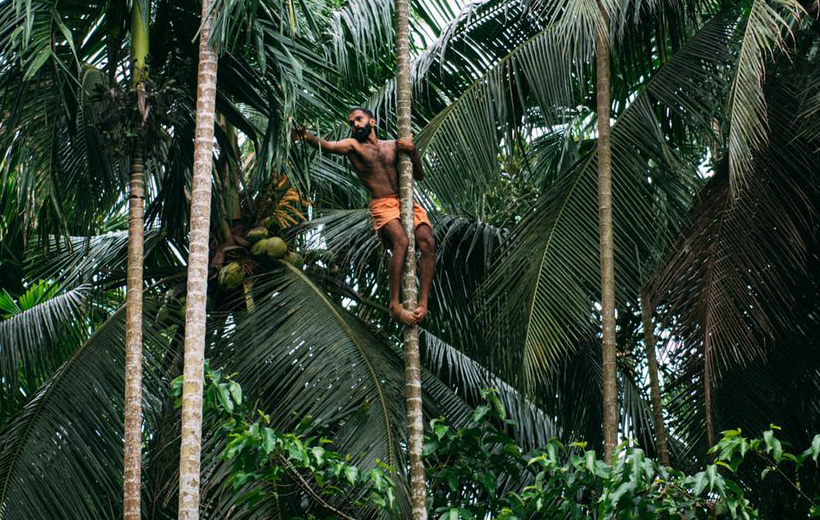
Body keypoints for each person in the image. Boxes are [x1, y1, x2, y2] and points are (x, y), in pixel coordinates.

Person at [293, 107, 435, 325]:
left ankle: (423, 303)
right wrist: (307, 136)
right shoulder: (352, 146)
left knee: (427, 241)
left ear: (373, 122)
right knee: (402, 241)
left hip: (405, 201)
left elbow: (419, 175)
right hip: (382, 204)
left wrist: (413, 150)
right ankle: (394, 305)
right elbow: (328, 145)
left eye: (359, 120)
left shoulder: (392, 146)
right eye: (351, 122)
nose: (355, 125)